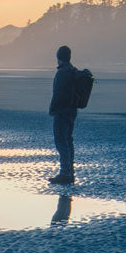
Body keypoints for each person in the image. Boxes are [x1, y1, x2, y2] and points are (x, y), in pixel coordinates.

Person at [48, 45, 78, 185]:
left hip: (61, 112)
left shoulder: (62, 73)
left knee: (61, 142)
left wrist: (52, 109)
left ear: (59, 58)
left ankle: (65, 173)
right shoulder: (73, 71)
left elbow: (57, 94)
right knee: (68, 141)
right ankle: (70, 172)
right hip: (72, 111)